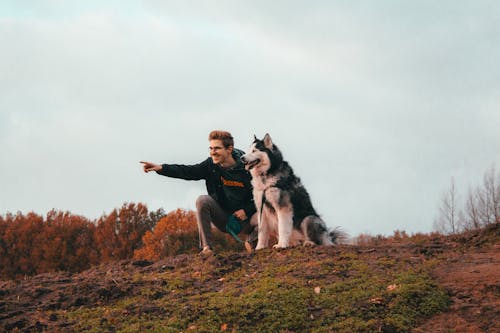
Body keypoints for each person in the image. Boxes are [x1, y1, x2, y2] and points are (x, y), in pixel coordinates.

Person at [140, 130, 257, 255]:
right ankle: (207, 249)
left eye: (217, 148)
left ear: (229, 149)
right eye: (211, 148)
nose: (213, 152)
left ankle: (254, 242)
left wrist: (247, 210)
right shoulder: (211, 165)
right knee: (202, 200)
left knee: (268, 209)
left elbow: (264, 196)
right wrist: (162, 168)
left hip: (248, 219)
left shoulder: (249, 167)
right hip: (224, 217)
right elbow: (188, 171)